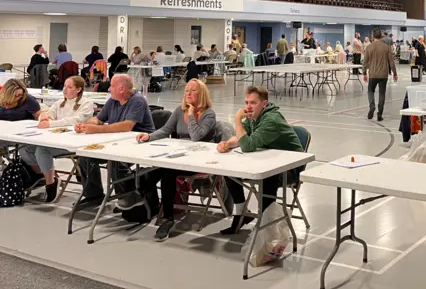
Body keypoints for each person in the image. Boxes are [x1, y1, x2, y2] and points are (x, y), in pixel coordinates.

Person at [136, 79, 222, 241]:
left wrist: (191, 115)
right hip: (179, 156)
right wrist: (149, 136)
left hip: (200, 160)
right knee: (155, 169)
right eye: (187, 90)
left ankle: (166, 216)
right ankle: (148, 201)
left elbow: (196, 136)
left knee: (166, 172)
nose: (188, 93)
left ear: (201, 93)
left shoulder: (209, 113)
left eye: (193, 90)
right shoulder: (178, 111)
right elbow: (165, 130)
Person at [216, 86, 303, 235]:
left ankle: (266, 225)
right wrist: (228, 144)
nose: (248, 107)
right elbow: (243, 136)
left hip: (291, 167)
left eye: (253, 103)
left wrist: (237, 119)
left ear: (264, 104)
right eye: (246, 102)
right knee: (229, 169)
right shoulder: (254, 117)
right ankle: (241, 212)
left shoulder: (271, 119)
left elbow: (248, 145)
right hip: (268, 159)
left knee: (267, 177)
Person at [75, 74, 155, 208]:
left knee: (116, 160)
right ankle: (93, 195)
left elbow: (127, 126)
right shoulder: (113, 100)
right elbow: (99, 119)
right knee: (85, 156)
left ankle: (127, 195)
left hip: (140, 143)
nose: (109, 89)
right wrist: (86, 125)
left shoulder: (138, 100)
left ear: (121, 88)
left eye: (112, 86)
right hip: (116, 141)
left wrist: (96, 129)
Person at [19, 76, 94, 202]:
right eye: (64, 86)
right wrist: (43, 117)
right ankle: (47, 175)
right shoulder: (59, 103)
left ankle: (50, 183)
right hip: (53, 139)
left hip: (73, 142)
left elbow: (75, 120)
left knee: (41, 150)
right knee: (24, 148)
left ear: (78, 89)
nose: (65, 89)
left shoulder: (87, 104)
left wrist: (52, 124)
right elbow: (49, 113)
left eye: (69, 87)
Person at [363, 29, 398, 121]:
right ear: (381, 36)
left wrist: (364, 73)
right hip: (383, 74)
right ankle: (380, 114)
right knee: (382, 93)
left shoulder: (369, 47)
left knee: (370, 91)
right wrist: (395, 73)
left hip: (373, 74)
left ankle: (372, 106)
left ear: (373, 36)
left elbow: (365, 62)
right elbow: (391, 62)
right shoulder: (386, 47)